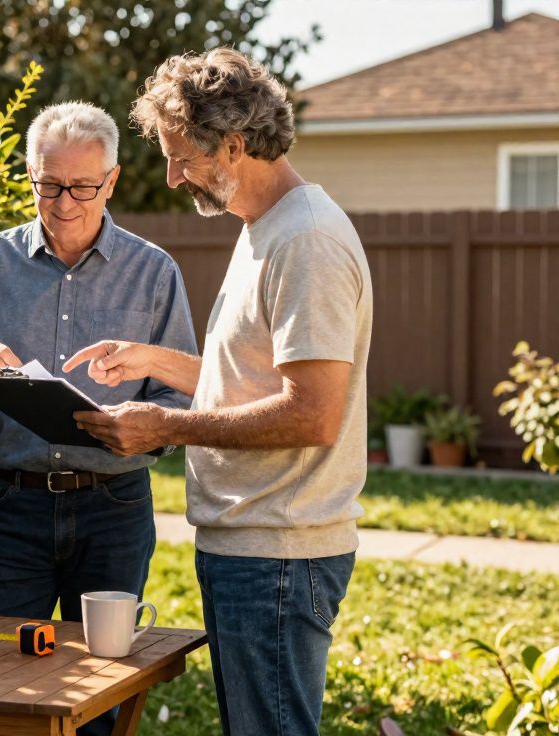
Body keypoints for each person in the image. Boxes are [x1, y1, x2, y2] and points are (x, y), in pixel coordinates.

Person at [65, 49, 373, 736]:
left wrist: (166, 427)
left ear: (234, 142)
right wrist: (154, 362)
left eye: (183, 157)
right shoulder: (263, 229)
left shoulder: (307, 242)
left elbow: (313, 413)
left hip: (280, 554)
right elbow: (250, 379)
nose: (174, 176)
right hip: (252, 547)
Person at [0, 101, 197, 736]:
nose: (64, 201)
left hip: (114, 509)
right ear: (30, 174)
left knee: (97, 695)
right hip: (8, 511)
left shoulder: (155, 273)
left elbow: (181, 403)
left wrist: (139, 422)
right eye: (48, 184)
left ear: (113, 181)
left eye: (81, 187)